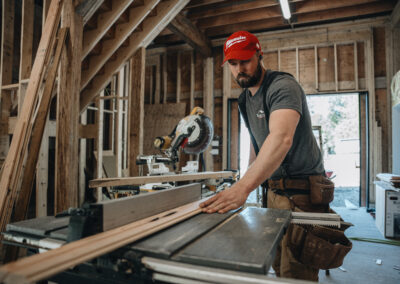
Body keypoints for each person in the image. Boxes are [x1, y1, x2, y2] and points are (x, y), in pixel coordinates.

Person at [199, 31, 332, 281]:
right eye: (233, 64)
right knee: (279, 266)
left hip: (302, 194)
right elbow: (257, 141)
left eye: (245, 61)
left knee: (297, 273)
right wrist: (245, 179)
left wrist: (243, 188)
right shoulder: (244, 98)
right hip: (273, 192)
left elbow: (280, 138)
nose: (240, 69)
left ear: (259, 56)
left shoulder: (282, 86)